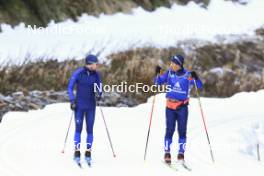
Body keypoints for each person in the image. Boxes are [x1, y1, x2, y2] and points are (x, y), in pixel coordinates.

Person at [155, 54, 203, 164]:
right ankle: (167, 153)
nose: (171, 64)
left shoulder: (187, 75)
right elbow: (157, 83)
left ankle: (181, 154)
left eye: (173, 63)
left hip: (182, 108)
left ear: (178, 64)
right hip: (170, 107)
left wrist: (196, 77)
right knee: (169, 130)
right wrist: (157, 74)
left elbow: (199, 86)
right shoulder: (169, 73)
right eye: (171, 62)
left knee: (182, 131)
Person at [68, 54, 102, 163]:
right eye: (95, 64)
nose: (97, 66)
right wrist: (72, 100)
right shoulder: (78, 73)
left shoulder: (96, 75)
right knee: (78, 129)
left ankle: (88, 151)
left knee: (90, 129)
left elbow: (99, 87)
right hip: (79, 106)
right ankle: (77, 151)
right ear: (89, 64)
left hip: (91, 106)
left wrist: (99, 95)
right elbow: (70, 87)